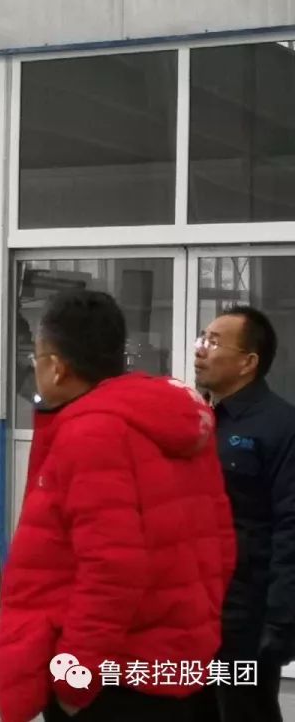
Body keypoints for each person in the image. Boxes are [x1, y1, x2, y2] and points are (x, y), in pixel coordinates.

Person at [0, 290, 235, 722]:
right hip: (175, 665)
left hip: (115, 680)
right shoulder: (168, 422)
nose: (36, 367)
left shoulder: (93, 432)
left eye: (37, 356)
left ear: (57, 366)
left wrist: (74, 680)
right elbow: (221, 545)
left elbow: (111, 571)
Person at [194, 306, 295, 722]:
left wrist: (281, 621)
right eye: (202, 338)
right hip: (193, 604)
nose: (200, 349)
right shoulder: (193, 420)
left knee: (243, 711)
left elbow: (291, 526)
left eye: (214, 342)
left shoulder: (280, 426)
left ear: (248, 362)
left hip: (246, 612)